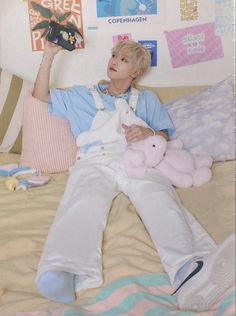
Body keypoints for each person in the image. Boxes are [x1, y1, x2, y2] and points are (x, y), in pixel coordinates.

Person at [33, 39, 235, 312]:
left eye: (123, 59)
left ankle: (187, 268)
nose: (114, 60)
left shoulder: (147, 99)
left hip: (138, 158)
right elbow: (41, 95)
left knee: (159, 198)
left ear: (136, 72)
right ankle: (61, 270)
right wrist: (48, 56)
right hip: (95, 159)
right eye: (114, 55)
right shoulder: (82, 95)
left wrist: (148, 133)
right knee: (83, 199)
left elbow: (164, 134)